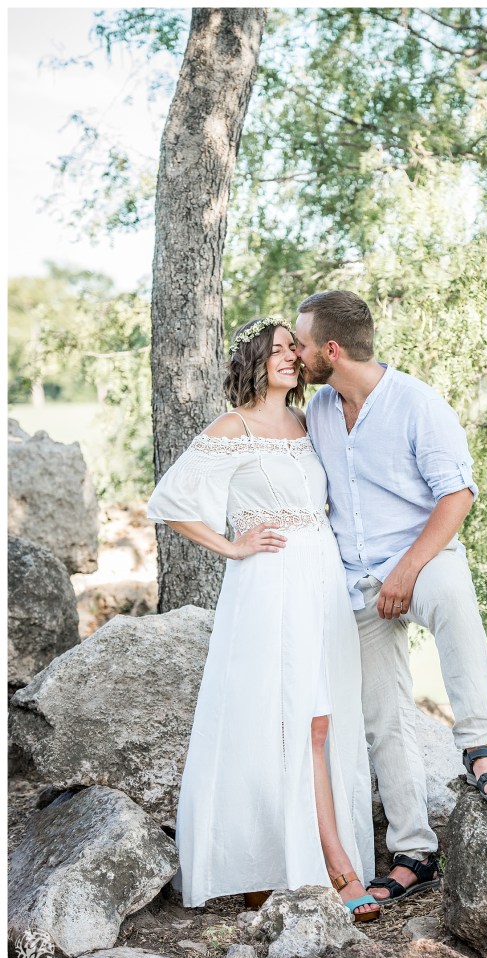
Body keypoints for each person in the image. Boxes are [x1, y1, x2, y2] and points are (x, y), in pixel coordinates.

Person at [146, 317, 379, 921]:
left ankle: (302, 857)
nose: (289, 358)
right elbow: (170, 503)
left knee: (322, 722)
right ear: (253, 359)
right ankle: (317, 865)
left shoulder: (306, 423)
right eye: (276, 350)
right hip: (268, 586)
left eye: (292, 351)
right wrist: (233, 545)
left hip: (320, 580)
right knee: (275, 721)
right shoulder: (234, 427)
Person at [295, 290, 487, 906]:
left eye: (302, 341)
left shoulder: (418, 404)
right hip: (353, 579)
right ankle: (414, 851)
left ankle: (479, 741)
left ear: (332, 349)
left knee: (454, 602)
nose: (296, 350)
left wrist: (405, 572)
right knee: (382, 716)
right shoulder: (317, 408)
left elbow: (458, 497)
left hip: (421, 559)